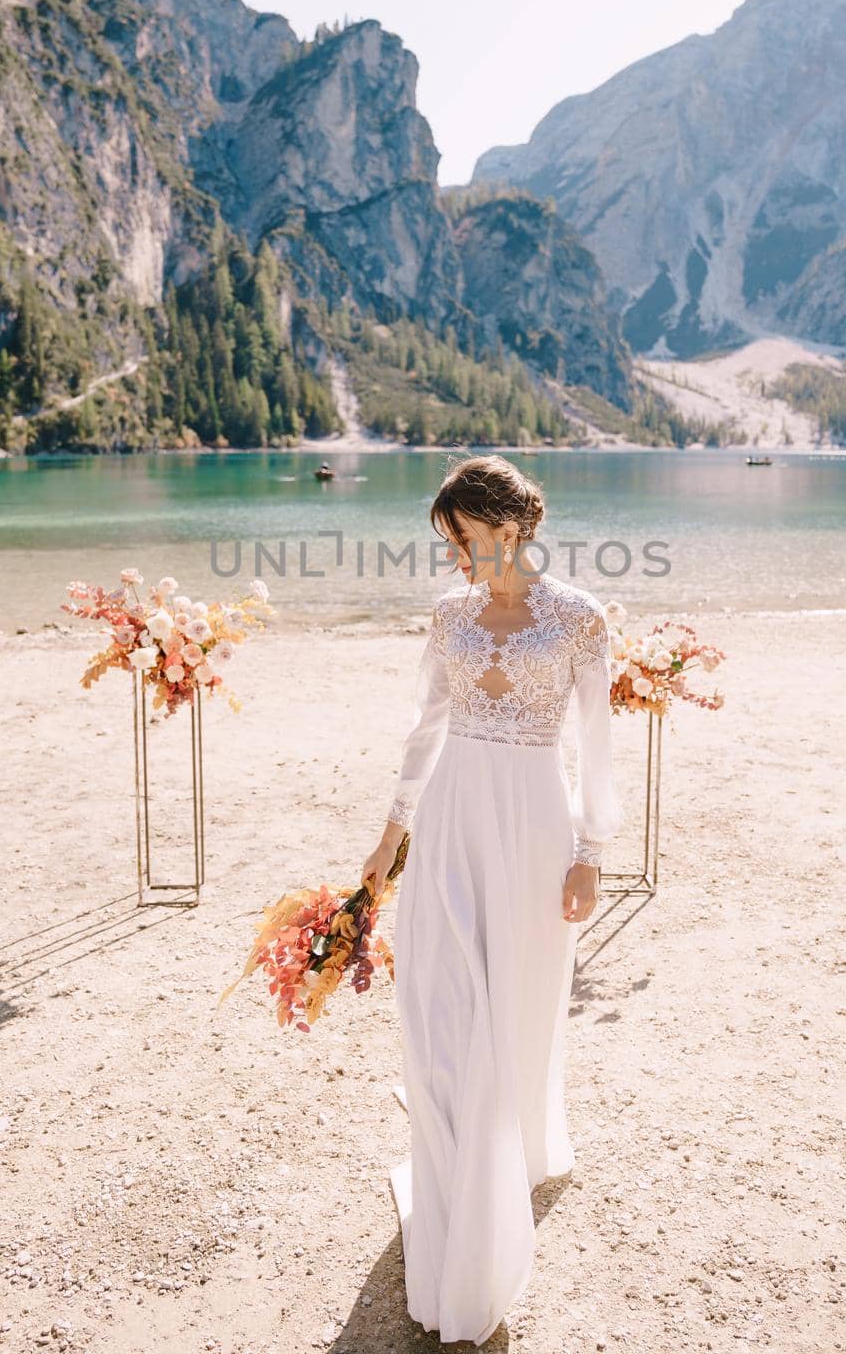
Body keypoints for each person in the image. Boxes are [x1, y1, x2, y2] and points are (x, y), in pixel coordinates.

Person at [361, 453, 622, 1345]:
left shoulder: (580, 617)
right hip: (450, 824)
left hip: (535, 829)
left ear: (509, 530)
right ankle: (452, 1186)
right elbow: (425, 728)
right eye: (447, 544)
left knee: (511, 1007)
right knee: (435, 1007)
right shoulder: (446, 617)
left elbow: (596, 743)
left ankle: (497, 1172)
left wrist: (592, 853)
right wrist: (391, 835)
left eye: (462, 540)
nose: (455, 560)